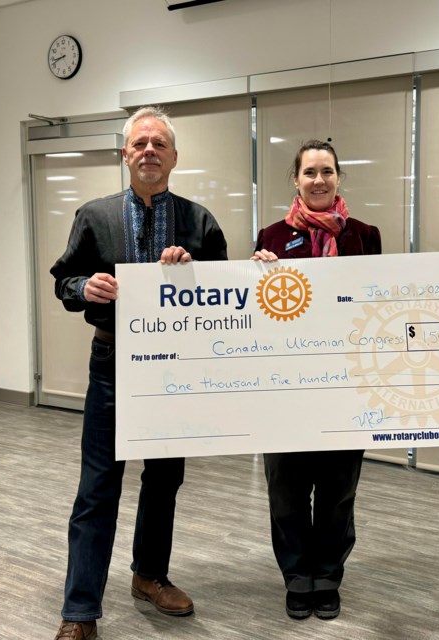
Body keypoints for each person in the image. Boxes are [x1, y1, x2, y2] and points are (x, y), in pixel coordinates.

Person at [49, 106, 228, 640]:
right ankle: (79, 611)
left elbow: (227, 295)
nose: (149, 150)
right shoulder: (94, 215)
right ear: (124, 154)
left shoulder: (199, 221)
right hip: (112, 364)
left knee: (165, 478)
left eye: (159, 143)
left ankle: (149, 576)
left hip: (175, 368)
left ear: (175, 156)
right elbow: (64, 280)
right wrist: (85, 288)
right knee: (98, 487)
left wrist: (193, 273)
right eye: (139, 143)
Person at [251, 139, 381, 621]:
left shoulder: (365, 235)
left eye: (327, 171)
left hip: (347, 385)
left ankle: (327, 575)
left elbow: (376, 301)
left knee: (336, 491)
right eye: (310, 172)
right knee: (285, 489)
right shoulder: (272, 234)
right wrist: (255, 274)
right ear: (296, 179)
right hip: (285, 387)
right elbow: (257, 312)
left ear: (339, 177)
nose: (319, 180)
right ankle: (296, 576)